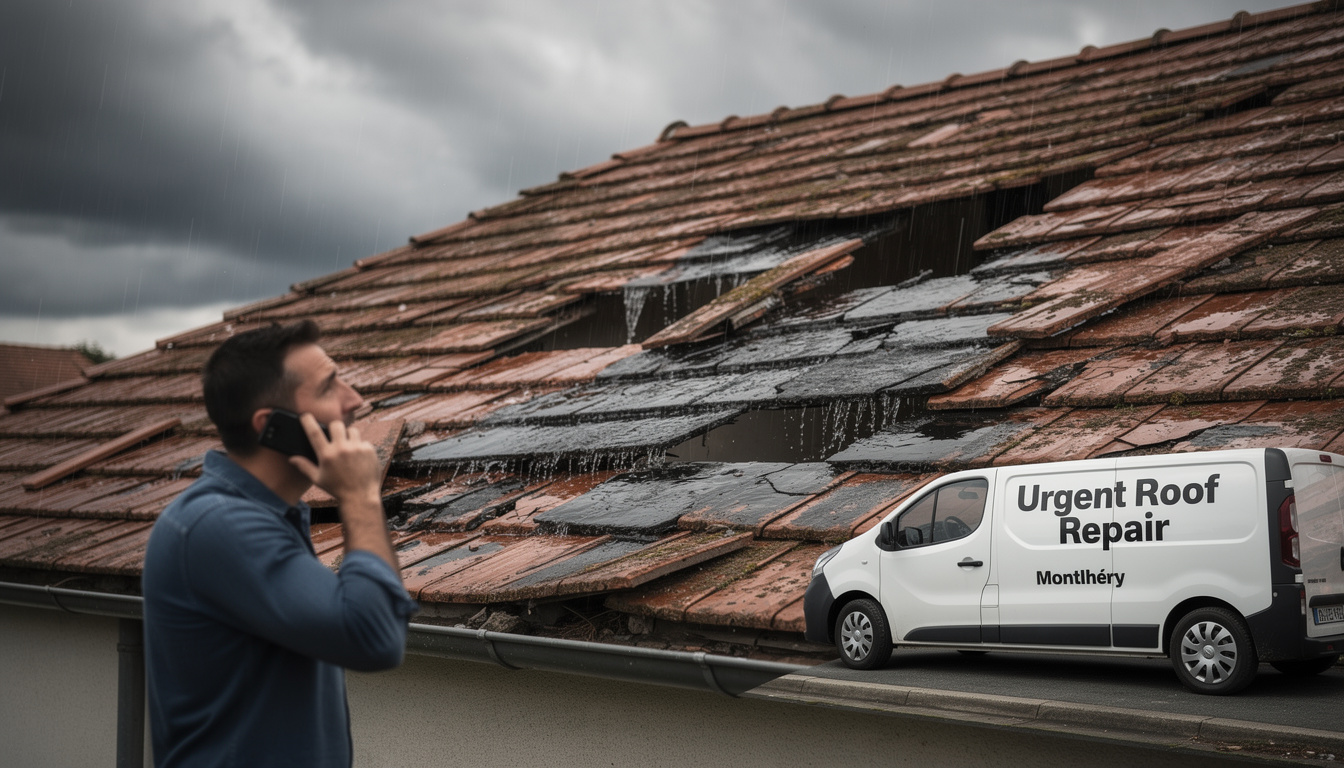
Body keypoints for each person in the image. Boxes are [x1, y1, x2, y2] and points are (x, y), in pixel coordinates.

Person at [143, 320, 417, 768]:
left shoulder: (262, 517)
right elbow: (376, 638)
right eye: (330, 386)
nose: (355, 400)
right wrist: (361, 497)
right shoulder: (217, 524)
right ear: (273, 427)